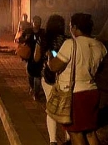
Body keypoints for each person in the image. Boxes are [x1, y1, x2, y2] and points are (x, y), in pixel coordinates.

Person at [48, 13, 107, 145]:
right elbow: (101, 69)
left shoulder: (71, 44)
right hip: (92, 92)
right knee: (90, 132)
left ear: (74, 27)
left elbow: (54, 66)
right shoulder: (100, 46)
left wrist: (50, 57)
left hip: (75, 94)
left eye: (70, 26)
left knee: (76, 133)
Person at [35, 14, 71, 145]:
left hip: (48, 77)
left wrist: (48, 54)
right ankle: (68, 138)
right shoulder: (67, 40)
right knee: (65, 108)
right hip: (64, 77)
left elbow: (36, 58)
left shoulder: (42, 38)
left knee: (51, 107)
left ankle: (53, 141)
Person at [18, 15, 45, 100]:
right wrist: (25, 38)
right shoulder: (28, 31)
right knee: (30, 73)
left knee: (37, 75)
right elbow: (20, 39)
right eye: (35, 22)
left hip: (39, 56)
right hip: (29, 56)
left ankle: (36, 93)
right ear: (32, 22)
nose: (37, 24)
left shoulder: (43, 32)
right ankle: (32, 87)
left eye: (39, 22)